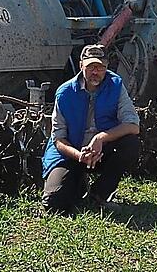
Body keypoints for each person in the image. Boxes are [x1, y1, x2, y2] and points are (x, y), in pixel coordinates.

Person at [42, 44, 141, 213]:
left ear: (106, 67)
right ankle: (76, 180)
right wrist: (79, 155)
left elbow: (133, 125)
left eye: (100, 67)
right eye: (90, 67)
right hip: (71, 153)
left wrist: (101, 138)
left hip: (101, 151)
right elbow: (58, 138)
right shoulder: (64, 93)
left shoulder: (116, 85)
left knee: (131, 144)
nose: (95, 72)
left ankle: (99, 194)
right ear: (81, 66)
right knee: (54, 204)